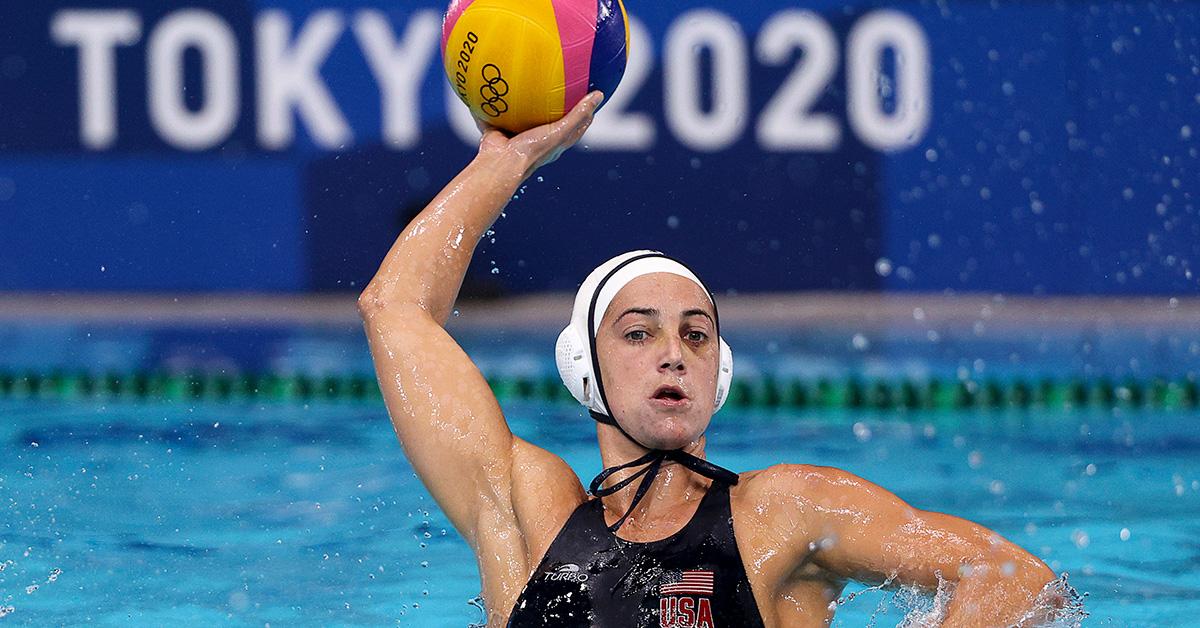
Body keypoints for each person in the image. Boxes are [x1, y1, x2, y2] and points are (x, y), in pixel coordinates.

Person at [359, 92, 1059, 627]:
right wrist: (504, 162)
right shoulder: (525, 510)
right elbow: (394, 309)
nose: (672, 354)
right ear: (583, 367)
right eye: (638, 334)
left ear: (719, 372)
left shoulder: (781, 512)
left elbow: (1016, 579)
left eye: (696, 336)